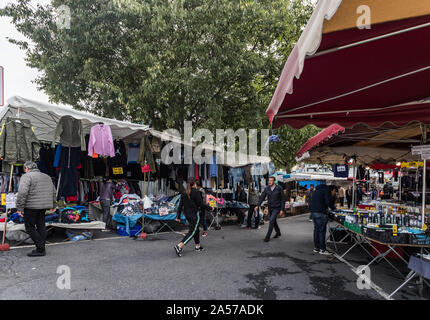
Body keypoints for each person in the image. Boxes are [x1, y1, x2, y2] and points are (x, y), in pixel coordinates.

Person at [16, 161, 56, 257]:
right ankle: (41, 248)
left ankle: (40, 248)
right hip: (43, 206)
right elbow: (53, 191)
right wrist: (54, 204)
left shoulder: (26, 176)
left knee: (29, 227)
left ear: (26, 168)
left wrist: (19, 207)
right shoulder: (46, 176)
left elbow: (22, 193)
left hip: (31, 206)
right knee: (41, 226)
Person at [174, 177, 213, 257]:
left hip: (187, 215)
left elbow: (180, 205)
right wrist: (210, 208)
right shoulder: (196, 192)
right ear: (195, 183)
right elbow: (201, 205)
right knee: (192, 232)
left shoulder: (184, 192)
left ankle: (197, 246)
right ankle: (179, 246)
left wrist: (178, 216)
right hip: (195, 215)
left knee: (196, 230)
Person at [255, 176, 286, 242]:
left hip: (277, 207)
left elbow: (283, 199)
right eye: (269, 180)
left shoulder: (279, 188)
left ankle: (267, 237)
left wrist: (282, 209)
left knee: (271, 220)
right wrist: (258, 205)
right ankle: (278, 232)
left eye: (271, 180)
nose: (269, 182)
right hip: (270, 208)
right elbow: (262, 197)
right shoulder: (267, 188)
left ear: (274, 181)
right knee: (273, 221)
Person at [310, 184, 338, 255]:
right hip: (321, 213)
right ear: (333, 189)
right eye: (335, 192)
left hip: (313, 212)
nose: (334, 193)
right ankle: (322, 249)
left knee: (316, 230)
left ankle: (316, 248)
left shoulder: (316, 191)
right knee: (322, 231)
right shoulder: (326, 191)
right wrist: (334, 208)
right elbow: (327, 202)